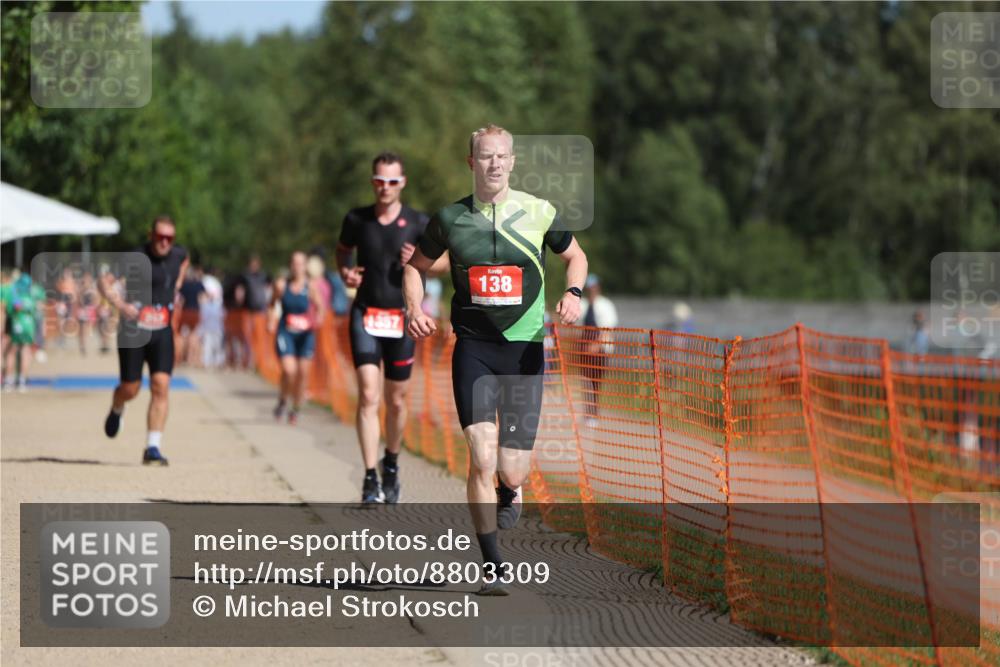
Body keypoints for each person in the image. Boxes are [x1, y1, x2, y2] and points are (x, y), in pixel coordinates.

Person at [403, 125, 588, 594]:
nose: (495, 164)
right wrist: (413, 307)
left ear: (513, 160)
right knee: (480, 458)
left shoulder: (539, 212)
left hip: (524, 351)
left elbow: (576, 257)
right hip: (474, 350)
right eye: (486, 157)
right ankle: (492, 566)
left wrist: (573, 292)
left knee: (511, 469)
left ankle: (512, 486)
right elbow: (414, 266)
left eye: (502, 156)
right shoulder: (450, 219)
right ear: (472, 163)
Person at [337, 151, 443, 504]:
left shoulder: (418, 222)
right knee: (368, 394)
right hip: (366, 314)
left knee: (396, 401)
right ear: (372, 182)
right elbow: (343, 251)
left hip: (402, 320)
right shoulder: (357, 219)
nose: (385, 188)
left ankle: (392, 462)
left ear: (403, 183)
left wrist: (418, 262)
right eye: (380, 181)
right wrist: (345, 272)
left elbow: (444, 261)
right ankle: (370, 477)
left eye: (392, 182)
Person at [100, 215, 189, 466]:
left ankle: (153, 447)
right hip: (133, 331)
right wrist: (120, 304)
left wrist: (178, 282)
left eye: (169, 238)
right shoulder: (134, 257)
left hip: (162, 331)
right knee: (131, 388)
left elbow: (185, 259)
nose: (164, 242)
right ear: (151, 235)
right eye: (159, 237)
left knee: (161, 385)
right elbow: (104, 282)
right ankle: (118, 405)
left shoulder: (178, 255)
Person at [269, 251, 325, 425]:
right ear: (290, 265)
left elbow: (320, 307)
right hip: (286, 332)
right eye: (294, 263)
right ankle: (283, 400)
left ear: (305, 266)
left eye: (301, 263)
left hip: (305, 334)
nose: (297, 267)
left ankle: (295, 408)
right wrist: (271, 320)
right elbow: (272, 304)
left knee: (302, 373)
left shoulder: (310, 287)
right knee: (289, 370)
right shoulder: (281, 285)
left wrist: (317, 320)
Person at [576, 274, 618, 429]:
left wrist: (596, 345)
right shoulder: (582, 304)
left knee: (596, 382)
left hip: (601, 351)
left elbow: (608, 328)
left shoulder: (606, 305)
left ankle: (594, 413)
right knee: (586, 381)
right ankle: (588, 412)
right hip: (584, 349)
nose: (591, 290)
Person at [1, 272, 42, 392]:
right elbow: (36, 311)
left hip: (16, 325)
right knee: (25, 352)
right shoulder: (32, 297)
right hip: (29, 326)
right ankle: (22, 381)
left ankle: (8, 381)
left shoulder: (15, 295)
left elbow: (10, 309)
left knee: (11, 352)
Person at [176, 265, 206, 366]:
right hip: (195, 311)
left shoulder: (184, 285)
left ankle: (180, 357)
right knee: (193, 335)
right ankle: (191, 358)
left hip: (185, 311)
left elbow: (180, 300)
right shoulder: (199, 284)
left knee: (181, 335)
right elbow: (203, 298)